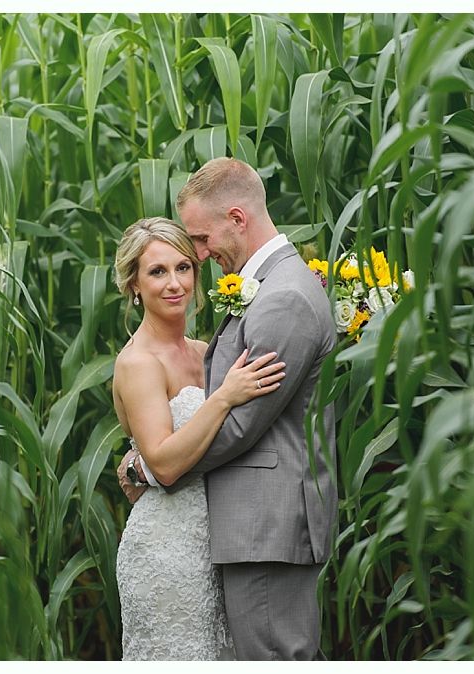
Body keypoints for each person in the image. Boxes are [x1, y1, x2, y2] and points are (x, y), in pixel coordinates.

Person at [120, 157, 338, 660]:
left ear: (237, 219)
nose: (197, 258)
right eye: (160, 269)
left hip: (265, 527)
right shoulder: (271, 291)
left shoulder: (282, 298)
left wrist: (151, 469)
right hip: (228, 534)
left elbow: (239, 425)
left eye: (197, 242)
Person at [111, 216, 287, 660]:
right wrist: (224, 396)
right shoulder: (138, 363)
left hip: (218, 545)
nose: (175, 284)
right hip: (166, 550)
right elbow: (166, 464)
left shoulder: (204, 351)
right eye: (157, 272)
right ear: (134, 284)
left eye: (183, 268)